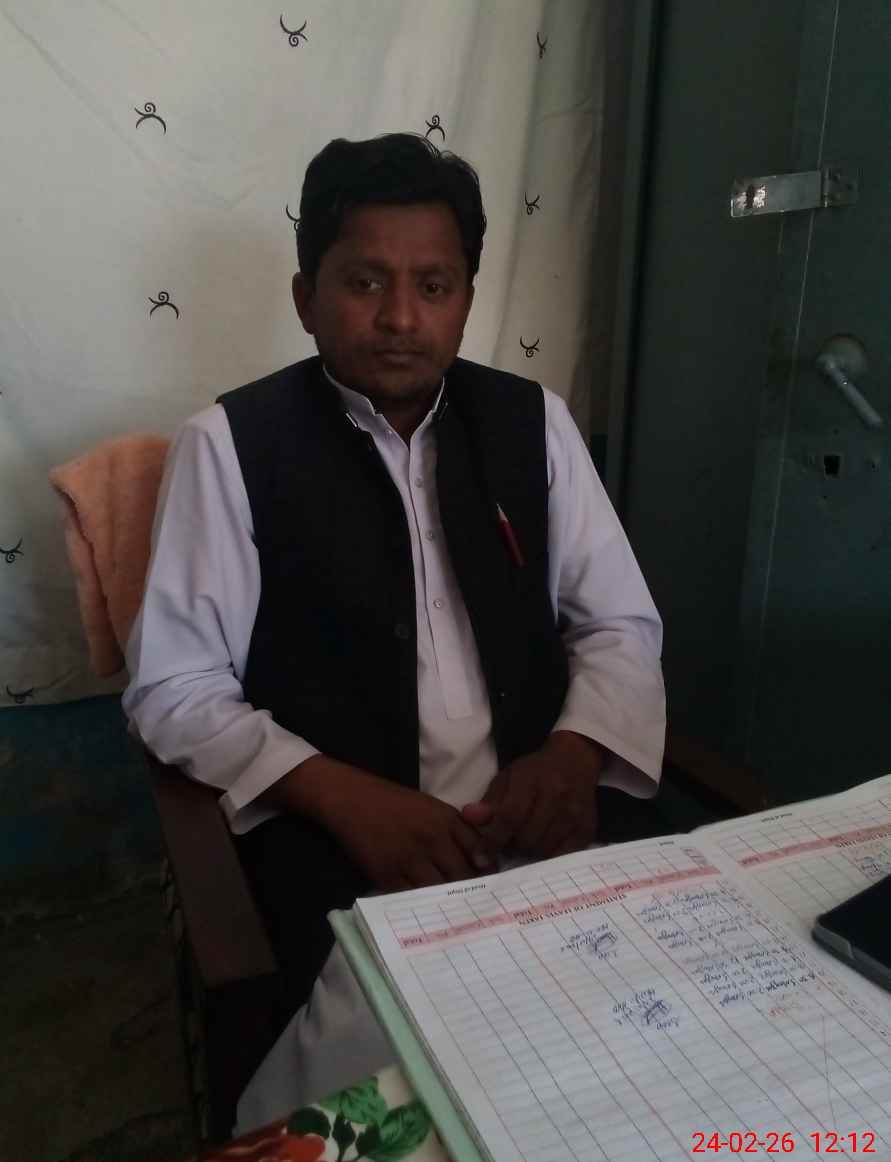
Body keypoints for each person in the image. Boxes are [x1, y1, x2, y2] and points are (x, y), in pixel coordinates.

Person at [123, 132, 666, 1125]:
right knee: (401, 1104)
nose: (402, 318)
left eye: (434, 285)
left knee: (646, 1063)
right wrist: (345, 798)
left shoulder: (531, 423)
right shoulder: (231, 445)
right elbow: (173, 685)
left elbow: (618, 622)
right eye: (364, 282)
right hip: (348, 857)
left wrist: (577, 752)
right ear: (306, 297)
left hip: (541, 824)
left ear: (467, 297)